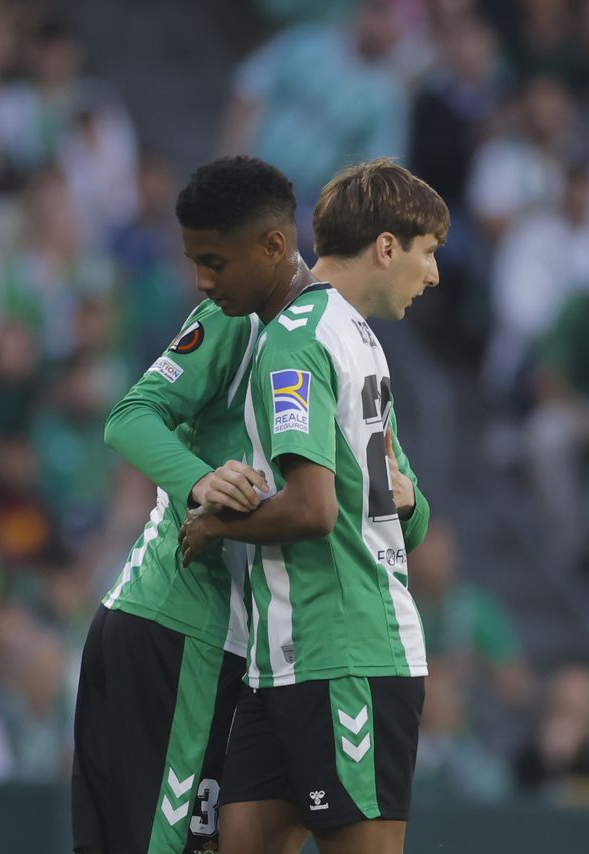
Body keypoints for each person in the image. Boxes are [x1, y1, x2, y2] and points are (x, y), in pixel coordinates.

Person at [180, 158, 444, 854]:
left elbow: (314, 510)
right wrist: (404, 499)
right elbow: (385, 501)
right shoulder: (349, 337)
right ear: (386, 247)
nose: (434, 274)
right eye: (428, 253)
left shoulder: (303, 336)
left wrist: (214, 521)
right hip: (289, 662)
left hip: (345, 651)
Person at [71, 155, 312, 854]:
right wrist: (201, 481)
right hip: (180, 628)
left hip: (218, 640)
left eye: (215, 261)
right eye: (194, 261)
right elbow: (130, 417)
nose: (201, 281)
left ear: (273, 245)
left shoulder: (325, 333)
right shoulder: (235, 320)